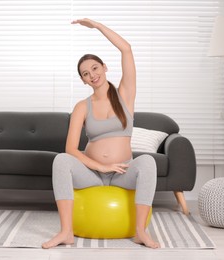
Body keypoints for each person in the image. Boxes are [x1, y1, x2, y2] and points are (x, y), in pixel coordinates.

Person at [42, 18, 159, 249]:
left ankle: (140, 232)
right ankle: (66, 232)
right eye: (85, 73)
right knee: (60, 160)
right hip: (92, 174)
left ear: (104, 67)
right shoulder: (81, 107)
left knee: (148, 162)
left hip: (123, 171)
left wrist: (97, 27)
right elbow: (71, 149)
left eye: (95, 68)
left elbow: (126, 48)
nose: (92, 75)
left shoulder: (125, 94)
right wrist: (101, 167)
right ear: (83, 80)